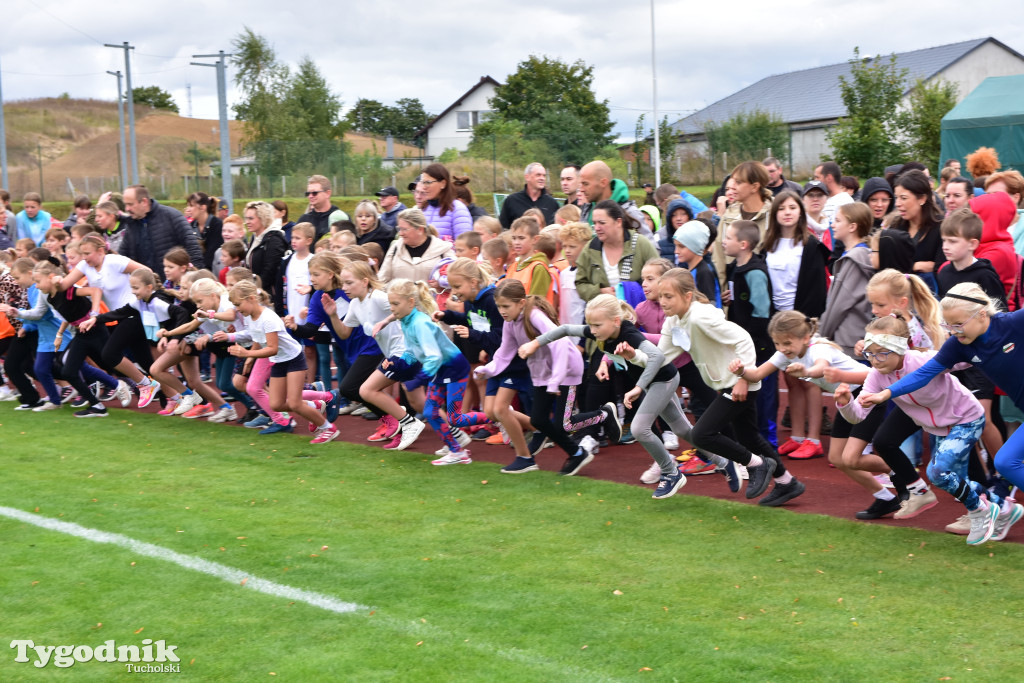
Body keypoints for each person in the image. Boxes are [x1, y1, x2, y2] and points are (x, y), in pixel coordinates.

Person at [874, 282, 1024, 542]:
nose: (952, 331)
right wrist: (887, 393)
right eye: (948, 325)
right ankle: (1007, 509)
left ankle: (1005, 508)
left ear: (981, 314)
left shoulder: (1013, 322)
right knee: (1004, 462)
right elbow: (924, 373)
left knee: (1005, 462)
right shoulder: (959, 345)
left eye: (958, 324)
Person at [849, 316, 1003, 544]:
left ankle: (981, 512)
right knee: (954, 482)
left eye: (882, 352)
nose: (875, 360)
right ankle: (1004, 508)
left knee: (937, 472)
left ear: (900, 347)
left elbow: (967, 359)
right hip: (939, 428)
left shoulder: (925, 360)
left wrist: (985, 344)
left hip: (967, 418)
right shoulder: (875, 375)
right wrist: (844, 403)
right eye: (870, 354)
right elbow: (858, 415)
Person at [659, 268, 804, 506]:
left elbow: (743, 339)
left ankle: (757, 465)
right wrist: (631, 353)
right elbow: (659, 357)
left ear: (687, 296)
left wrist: (743, 379)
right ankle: (787, 482)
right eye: (661, 296)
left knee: (701, 434)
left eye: (668, 296)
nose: (663, 301)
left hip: (740, 383)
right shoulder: (674, 321)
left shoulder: (699, 317)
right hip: (728, 384)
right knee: (749, 438)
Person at [532, 294, 697, 495]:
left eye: (596, 325)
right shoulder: (603, 332)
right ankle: (724, 461)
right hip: (652, 382)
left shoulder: (629, 334)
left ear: (615, 321)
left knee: (639, 429)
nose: (592, 331)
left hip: (664, 379)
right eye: (590, 325)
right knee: (682, 429)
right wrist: (535, 343)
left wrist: (638, 387)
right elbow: (566, 329)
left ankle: (670, 472)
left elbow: (658, 355)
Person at [476, 279, 585, 474]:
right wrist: (488, 369)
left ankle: (604, 415)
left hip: (567, 371)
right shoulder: (510, 322)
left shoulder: (534, 315)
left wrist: (556, 380)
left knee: (563, 424)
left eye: (506, 306)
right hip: (545, 374)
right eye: (499, 306)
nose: (502, 311)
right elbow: (504, 352)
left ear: (521, 303)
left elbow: (558, 343)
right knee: (539, 421)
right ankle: (576, 454)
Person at [380, 278, 489, 465]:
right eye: (390, 303)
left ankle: (495, 416)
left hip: (453, 369)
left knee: (455, 417)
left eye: (396, 303)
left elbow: (434, 357)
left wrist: (419, 379)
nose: (392, 308)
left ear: (411, 302)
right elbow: (412, 351)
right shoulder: (406, 321)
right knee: (431, 412)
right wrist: (396, 364)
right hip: (441, 371)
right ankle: (457, 451)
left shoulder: (419, 324)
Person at [226, 279, 337, 444]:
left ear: (251, 299)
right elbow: (258, 338)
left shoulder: (268, 318)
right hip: (279, 361)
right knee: (277, 404)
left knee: (294, 402)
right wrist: (250, 357)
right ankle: (316, 406)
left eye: (238, 304)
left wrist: (247, 353)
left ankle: (328, 428)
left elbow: (273, 348)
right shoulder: (250, 316)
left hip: (293, 359)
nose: (237, 309)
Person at [723, 220, 777, 447]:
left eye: (728, 238)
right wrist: (732, 298)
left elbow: (761, 314)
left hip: (759, 345)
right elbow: (743, 300)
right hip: (743, 344)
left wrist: (747, 342)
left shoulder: (755, 272)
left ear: (743, 244)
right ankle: (748, 441)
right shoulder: (735, 267)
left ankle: (768, 442)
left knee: (763, 395)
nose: (723, 242)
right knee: (744, 395)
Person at [819, 203, 875, 359]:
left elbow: (839, 305)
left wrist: (822, 336)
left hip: (849, 344)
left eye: (837, 220)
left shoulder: (854, 259)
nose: (833, 225)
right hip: (854, 340)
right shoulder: (863, 254)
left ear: (852, 227)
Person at [575, 200, 658, 302]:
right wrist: (599, 292)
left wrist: (633, 292)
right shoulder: (590, 249)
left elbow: (660, 277)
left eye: (602, 223)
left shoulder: (640, 244)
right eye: (594, 223)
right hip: (602, 313)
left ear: (618, 222)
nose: (596, 228)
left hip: (638, 314)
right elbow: (580, 283)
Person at [120, 185, 205, 278]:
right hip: (145, 287)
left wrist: (194, 280)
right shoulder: (131, 225)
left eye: (130, 204)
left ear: (144, 202)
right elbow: (122, 259)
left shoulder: (171, 217)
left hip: (173, 287)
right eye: (126, 204)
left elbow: (193, 249)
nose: (127, 209)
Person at [714, 161, 772, 289]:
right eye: (733, 181)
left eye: (738, 182)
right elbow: (719, 259)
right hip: (734, 297)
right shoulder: (728, 217)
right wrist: (723, 290)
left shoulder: (774, 216)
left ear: (754, 187)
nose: (732, 187)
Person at [889, 169, 945, 290]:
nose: (897, 203)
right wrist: (916, 266)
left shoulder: (941, 228)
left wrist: (907, 267)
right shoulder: (896, 226)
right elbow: (889, 267)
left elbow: (942, 269)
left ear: (922, 199)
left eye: (903, 198)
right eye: (896, 197)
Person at [377, 208, 455, 283]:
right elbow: (382, 279)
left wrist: (440, 285)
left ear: (420, 230)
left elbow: (454, 281)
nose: (400, 233)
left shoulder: (443, 249)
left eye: (404, 229)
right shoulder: (395, 248)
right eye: (399, 229)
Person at [969, 191, 1018, 301]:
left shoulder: (1000, 252)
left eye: (973, 218)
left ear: (988, 219)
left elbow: (965, 276)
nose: (966, 223)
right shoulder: (983, 245)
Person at [243, 201, 288, 314]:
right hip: (256, 294)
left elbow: (270, 271)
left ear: (263, 219)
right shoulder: (255, 238)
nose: (247, 222)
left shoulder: (274, 239)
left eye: (251, 218)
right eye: (246, 218)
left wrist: (253, 290)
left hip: (269, 297)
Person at [578, 160, 648, 231]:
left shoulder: (630, 213)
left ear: (603, 183)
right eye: (581, 184)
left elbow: (647, 241)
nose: (581, 190)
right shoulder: (586, 211)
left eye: (585, 184)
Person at [507, 216, 557, 308]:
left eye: (521, 238)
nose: (516, 242)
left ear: (535, 239)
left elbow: (536, 303)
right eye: (514, 238)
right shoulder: (513, 266)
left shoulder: (538, 268)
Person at [418, 164, 473, 242]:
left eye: (428, 182)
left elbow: (464, 245)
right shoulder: (422, 209)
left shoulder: (458, 209)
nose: (424, 187)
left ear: (443, 183)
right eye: (423, 182)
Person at [296, 175, 348, 244]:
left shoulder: (340, 218)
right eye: (308, 193)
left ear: (327, 193)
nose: (310, 196)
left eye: (315, 193)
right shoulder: (304, 220)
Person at [185, 192, 224, 272]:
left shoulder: (217, 225)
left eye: (191, 206)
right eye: (188, 206)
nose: (188, 209)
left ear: (203, 207)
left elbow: (212, 254)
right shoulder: (190, 226)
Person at [819, 161, 854, 229]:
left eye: (818, 177)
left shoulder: (845, 202)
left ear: (829, 178)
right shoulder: (823, 199)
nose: (816, 181)